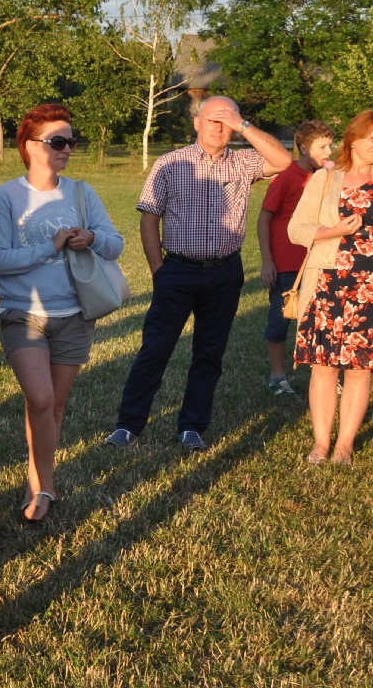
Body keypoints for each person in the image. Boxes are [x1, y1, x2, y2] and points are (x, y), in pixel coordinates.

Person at [105, 95, 292, 449]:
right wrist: (159, 270)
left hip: (225, 272)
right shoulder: (170, 163)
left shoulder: (244, 162)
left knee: (209, 353)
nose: (219, 127)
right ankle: (128, 425)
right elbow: (149, 218)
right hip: (177, 270)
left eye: (227, 121)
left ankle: (192, 426)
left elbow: (284, 161)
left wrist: (243, 126)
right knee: (155, 349)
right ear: (196, 123)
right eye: (212, 120)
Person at [0, 105, 123, 522]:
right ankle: (44, 484)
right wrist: (51, 246)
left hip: (75, 314)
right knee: (40, 398)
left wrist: (91, 237)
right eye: (57, 141)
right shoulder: (7, 196)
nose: (67, 149)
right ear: (30, 146)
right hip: (23, 313)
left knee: (54, 407)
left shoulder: (81, 192)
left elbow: (115, 244)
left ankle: (38, 484)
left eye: (71, 142)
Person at [290, 110, 373, 465]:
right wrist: (334, 231)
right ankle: (321, 444)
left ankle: (345, 446)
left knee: (359, 367)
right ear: (353, 140)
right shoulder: (326, 178)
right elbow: (296, 230)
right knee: (323, 365)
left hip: (368, 288)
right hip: (327, 283)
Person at [259, 120, 336, 397]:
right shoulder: (287, 177)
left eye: (330, 145)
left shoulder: (328, 178)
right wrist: (267, 261)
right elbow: (263, 219)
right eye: (322, 147)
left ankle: (325, 376)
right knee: (280, 320)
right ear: (304, 148)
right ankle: (278, 377)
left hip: (318, 261)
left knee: (322, 321)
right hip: (287, 266)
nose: (329, 152)